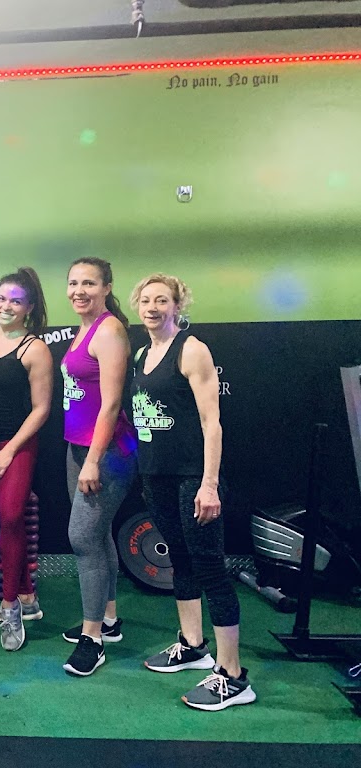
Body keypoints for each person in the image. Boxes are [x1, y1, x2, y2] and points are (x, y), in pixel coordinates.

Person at [130, 274, 255, 710]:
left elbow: (210, 422)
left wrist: (209, 483)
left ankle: (233, 675)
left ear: (177, 305)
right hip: (156, 475)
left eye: (162, 300)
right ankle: (192, 644)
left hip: (191, 477)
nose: (152, 307)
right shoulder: (142, 354)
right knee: (180, 559)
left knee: (209, 568)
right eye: (146, 300)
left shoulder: (191, 349)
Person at [59, 257, 138, 677]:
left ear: (107, 287)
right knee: (98, 533)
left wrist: (92, 460)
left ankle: (93, 640)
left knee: (83, 537)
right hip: (79, 448)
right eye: (73, 283)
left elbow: (111, 404)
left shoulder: (108, 331)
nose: (79, 291)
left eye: (89, 283)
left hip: (106, 453)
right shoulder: (84, 329)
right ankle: (108, 619)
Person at [0, 269, 53, 652]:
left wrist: (9, 450)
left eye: (15, 301)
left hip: (15, 445)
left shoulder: (34, 349)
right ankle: (27, 596)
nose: (6, 306)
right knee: (1, 522)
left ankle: (10, 607)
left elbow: (41, 410)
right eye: (1, 298)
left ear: (29, 307)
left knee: (10, 516)